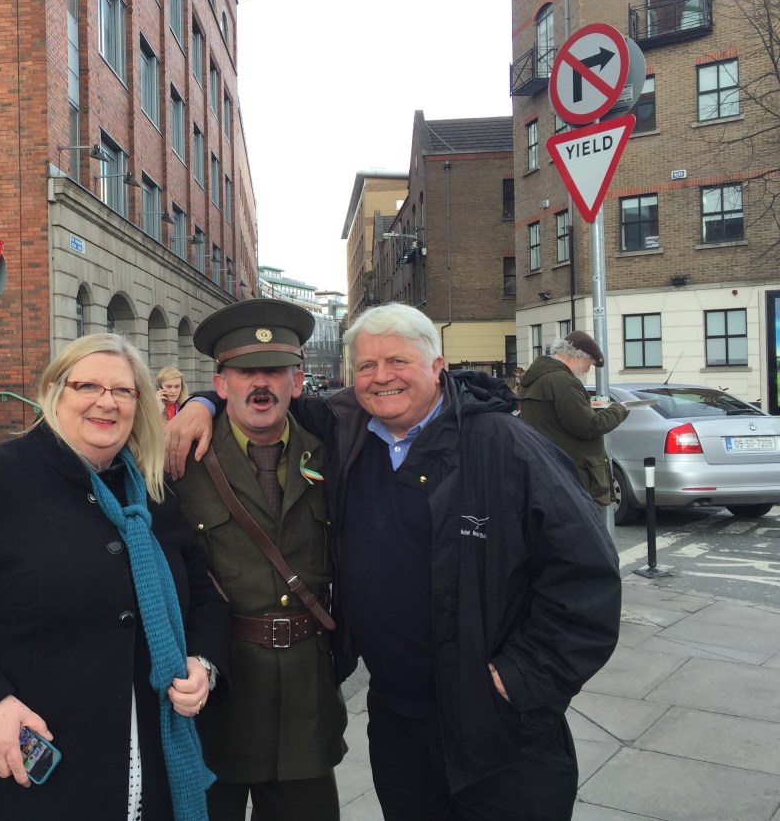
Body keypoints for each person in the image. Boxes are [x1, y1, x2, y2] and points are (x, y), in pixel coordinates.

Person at [166, 303, 621, 820]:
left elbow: (587, 577)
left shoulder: (506, 446)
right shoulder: (349, 433)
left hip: (497, 724)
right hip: (397, 720)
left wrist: (524, 678)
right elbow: (255, 401)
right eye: (366, 366)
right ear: (349, 379)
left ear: (437, 366)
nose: (382, 377)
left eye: (399, 361)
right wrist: (199, 403)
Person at [0, 332, 230, 820]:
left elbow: (207, 600)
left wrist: (203, 663)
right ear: (54, 391)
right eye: (88, 386)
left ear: (139, 404)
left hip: (148, 774)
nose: (105, 403)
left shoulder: (151, 492)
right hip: (28, 778)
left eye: (123, 391)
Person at [173, 300, 346, 821]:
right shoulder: (181, 460)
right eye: (246, 371)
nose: (261, 384)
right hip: (217, 689)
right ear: (221, 383)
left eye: (275, 370)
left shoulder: (335, 449)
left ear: (297, 380)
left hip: (306, 696)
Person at [518, 332, 629, 506]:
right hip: (572, 477)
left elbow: (554, 419)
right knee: (580, 531)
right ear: (577, 356)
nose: (587, 369)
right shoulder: (562, 381)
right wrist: (619, 409)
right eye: (589, 363)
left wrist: (588, 406)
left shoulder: (537, 378)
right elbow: (588, 427)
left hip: (550, 470)